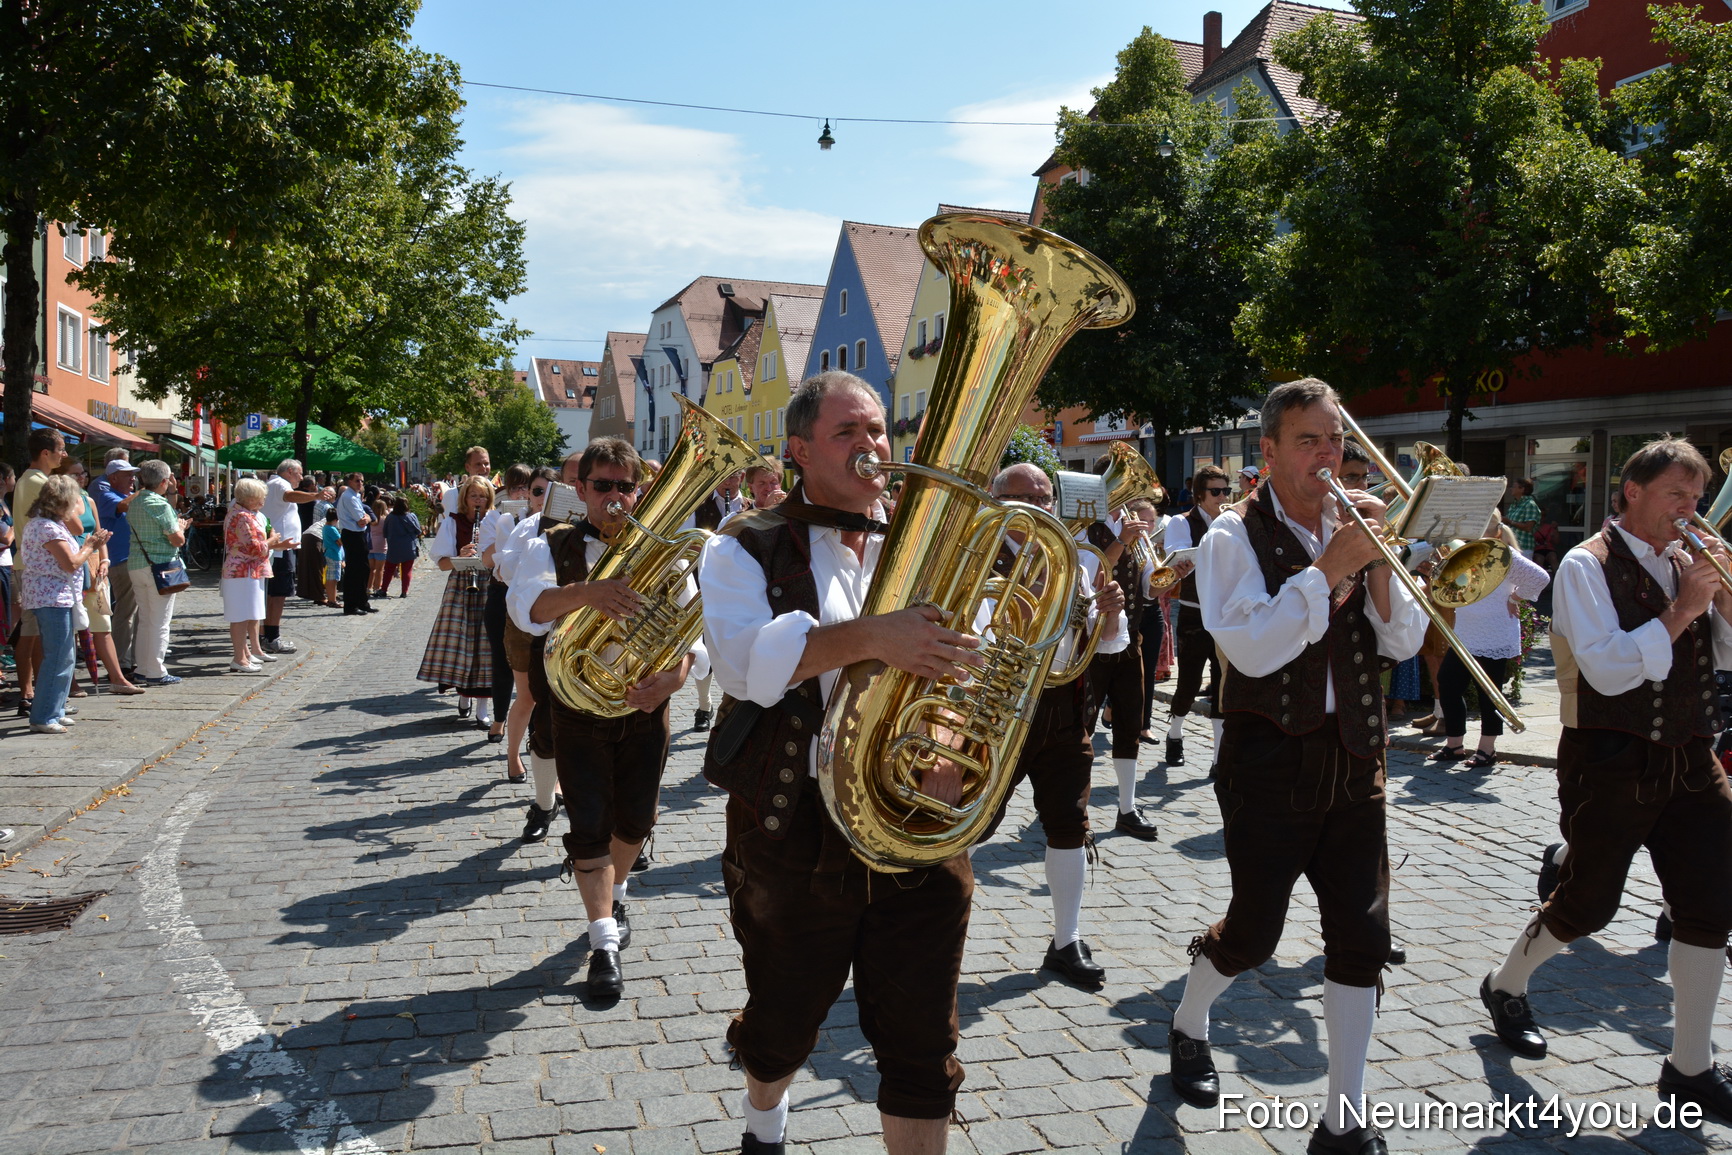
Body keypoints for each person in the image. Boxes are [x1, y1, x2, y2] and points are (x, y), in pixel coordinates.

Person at [700, 371, 984, 1154]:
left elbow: (975, 653)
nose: (872, 446)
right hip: (796, 827)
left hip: (918, 825)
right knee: (784, 1020)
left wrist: (955, 739)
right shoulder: (744, 543)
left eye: (878, 430)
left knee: (924, 1047)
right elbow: (743, 669)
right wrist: (868, 636)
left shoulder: (932, 536)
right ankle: (766, 1117)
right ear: (798, 451)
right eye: (847, 433)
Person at [1166, 379, 1427, 1155]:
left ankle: (1343, 1120)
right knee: (1255, 931)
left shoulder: (1357, 523)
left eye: (1335, 441)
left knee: (1361, 935)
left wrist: (1377, 567)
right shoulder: (1230, 537)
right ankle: (1189, 1017)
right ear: (1270, 451)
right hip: (1268, 760)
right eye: (1309, 441)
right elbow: (1250, 645)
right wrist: (1330, 567)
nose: (1327, 456)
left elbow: (1405, 641)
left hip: (1356, 757)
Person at [1479, 438, 1732, 1118]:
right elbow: (1608, 668)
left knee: (1712, 904)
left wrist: (1721, 600)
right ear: (1632, 492)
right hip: (1611, 758)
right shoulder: (1584, 567)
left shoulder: (1688, 561)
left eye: (1697, 497)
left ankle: (1691, 1064)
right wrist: (1682, 608)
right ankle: (1506, 982)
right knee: (1587, 903)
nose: (1691, 510)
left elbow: (1722, 655)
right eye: (1677, 494)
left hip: (1690, 753)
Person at [510, 439, 698, 1000]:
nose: (615, 497)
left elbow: (694, 631)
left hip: (645, 706)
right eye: (602, 486)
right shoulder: (552, 545)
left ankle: (613, 901)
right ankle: (602, 941)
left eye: (625, 486)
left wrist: (678, 677)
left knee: (635, 822)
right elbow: (528, 609)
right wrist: (588, 593)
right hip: (578, 708)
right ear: (582, 489)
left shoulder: (665, 553)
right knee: (590, 822)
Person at [983, 463, 1130, 989]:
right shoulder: (979, 557)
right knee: (970, 823)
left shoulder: (1076, 559)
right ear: (999, 502)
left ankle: (1065, 941)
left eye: (1047, 499)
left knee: (1070, 825)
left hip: (1064, 711)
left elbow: (1107, 643)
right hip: (996, 712)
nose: (1042, 508)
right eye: (1027, 497)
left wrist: (1108, 614)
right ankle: (921, 934)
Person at [1427, 521, 1548, 767]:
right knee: (1448, 684)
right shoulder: (1465, 552)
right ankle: (1455, 745)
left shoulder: (1504, 556)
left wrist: (1515, 597)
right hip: (1465, 633)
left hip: (1493, 633)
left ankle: (1487, 749)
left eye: (1481, 528)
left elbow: (1540, 577)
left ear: (1497, 533)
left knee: (1490, 695)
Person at [19, 475, 110, 733]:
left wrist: (93, 544)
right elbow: (69, 562)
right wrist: (91, 546)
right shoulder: (46, 526)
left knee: (65, 656)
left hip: (58, 595)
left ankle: (55, 710)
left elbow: (74, 546)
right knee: (58, 656)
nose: (77, 505)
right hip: (50, 597)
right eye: (73, 500)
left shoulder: (51, 523)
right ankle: (43, 715)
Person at [1162, 463, 1231, 767]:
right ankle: (1175, 732)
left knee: (1222, 684)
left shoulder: (1233, 522)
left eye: (1226, 491)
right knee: (1189, 683)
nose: (1222, 496)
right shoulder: (1181, 521)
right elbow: (1178, 557)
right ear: (1200, 495)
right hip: (1194, 613)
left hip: (1227, 615)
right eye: (1216, 491)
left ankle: (1218, 758)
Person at [495, 467, 557, 790]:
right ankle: (513, 754)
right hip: (523, 621)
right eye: (536, 491)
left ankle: (555, 775)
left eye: (551, 491)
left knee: (561, 699)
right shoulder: (523, 527)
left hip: (561, 621)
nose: (542, 497)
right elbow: (503, 571)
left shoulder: (574, 527)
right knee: (528, 696)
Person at [56, 457, 140, 696]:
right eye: (75, 474)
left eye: (83, 473)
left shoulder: (88, 499)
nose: (81, 478)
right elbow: (75, 532)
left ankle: (118, 678)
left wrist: (104, 559)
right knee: (71, 627)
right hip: (70, 566)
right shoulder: (60, 503)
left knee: (102, 624)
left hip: (93, 567)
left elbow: (99, 533)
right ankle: (70, 682)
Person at [419, 476, 494, 725]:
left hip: (490, 585)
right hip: (463, 585)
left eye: (483, 496)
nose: (478, 501)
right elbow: (441, 564)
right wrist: (459, 555)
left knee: (487, 646)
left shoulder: (497, 521)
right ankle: (464, 696)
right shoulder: (453, 523)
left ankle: (483, 706)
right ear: (465, 499)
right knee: (462, 643)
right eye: (474, 496)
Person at [13, 428, 70, 711]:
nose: (65, 454)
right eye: (61, 448)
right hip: (38, 567)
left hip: (27, 564)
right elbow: (69, 522)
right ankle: (40, 698)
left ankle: (34, 693)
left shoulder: (27, 478)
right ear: (46, 453)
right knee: (41, 637)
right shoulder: (39, 482)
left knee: (31, 633)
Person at [688, 472, 746, 733]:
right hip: (704, 583)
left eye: (734, 475)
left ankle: (736, 707)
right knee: (705, 644)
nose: (728, 481)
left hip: (741, 588)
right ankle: (704, 705)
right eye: (724, 476)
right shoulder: (700, 506)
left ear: (742, 478)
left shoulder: (751, 507)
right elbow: (686, 541)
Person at [126, 460, 191, 687]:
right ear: (164, 482)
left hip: (137, 563)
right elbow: (177, 539)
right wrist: (181, 528)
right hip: (161, 566)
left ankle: (143, 668)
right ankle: (155, 670)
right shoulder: (159, 504)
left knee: (145, 620)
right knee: (160, 622)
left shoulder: (135, 502)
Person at [481, 465, 532, 744]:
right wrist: (507, 529)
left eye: (526, 487)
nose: (521, 492)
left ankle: (534, 722)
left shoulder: (538, 517)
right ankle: (499, 718)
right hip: (501, 593)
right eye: (515, 487)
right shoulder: (495, 517)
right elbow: (488, 560)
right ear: (506, 491)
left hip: (530, 594)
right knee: (502, 660)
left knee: (534, 661)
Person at [261, 460, 332, 652]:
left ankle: (266, 633)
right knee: (278, 593)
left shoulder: (274, 484)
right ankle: (271, 636)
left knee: (274, 593)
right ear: (290, 471)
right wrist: (315, 495)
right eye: (300, 474)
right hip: (281, 549)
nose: (301, 478)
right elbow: (290, 496)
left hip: (281, 547)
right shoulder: (279, 484)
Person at [222, 478, 288, 673]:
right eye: (260, 497)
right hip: (242, 571)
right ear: (250, 498)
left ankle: (244, 655)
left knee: (247, 614)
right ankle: (239, 658)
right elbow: (254, 547)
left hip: (246, 570)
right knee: (241, 615)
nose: (263, 501)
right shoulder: (242, 516)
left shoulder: (242, 513)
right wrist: (272, 540)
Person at [92, 459, 140, 676]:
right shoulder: (107, 496)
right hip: (120, 561)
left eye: (134, 474)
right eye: (127, 475)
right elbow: (123, 506)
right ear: (113, 478)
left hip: (133, 560)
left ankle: (133, 658)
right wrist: (147, 489)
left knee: (137, 612)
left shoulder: (125, 495)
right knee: (126, 611)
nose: (133, 479)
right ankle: (121, 661)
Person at [336, 472, 375, 615]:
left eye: (362, 481)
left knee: (362, 570)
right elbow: (362, 520)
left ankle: (361, 602)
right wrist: (368, 518)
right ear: (349, 482)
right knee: (356, 571)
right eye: (357, 481)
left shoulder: (355, 496)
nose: (360, 483)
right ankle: (352, 605)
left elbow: (365, 518)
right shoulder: (349, 497)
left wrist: (367, 518)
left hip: (357, 534)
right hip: (352, 535)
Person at [381, 497, 422, 598]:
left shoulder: (390, 517)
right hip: (408, 547)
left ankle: (384, 589)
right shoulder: (411, 516)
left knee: (389, 570)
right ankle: (404, 591)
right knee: (407, 570)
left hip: (394, 547)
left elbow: (385, 532)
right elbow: (418, 530)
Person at [441, 446, 492, 514]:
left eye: (486, 464)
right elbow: (443, 524)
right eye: (478, 464)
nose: (483, 468)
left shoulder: (498, 493)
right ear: (467, 467)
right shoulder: (452, 495)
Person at [1505, 478, 1541, 560]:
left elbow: (1528, 527)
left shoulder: (1530, 504)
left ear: (1522, 489)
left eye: (1514, 487)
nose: (1511, 489)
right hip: (1512, 546)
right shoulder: (1514, 504)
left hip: (1524, 548)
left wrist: (1510, 521)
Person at [321, 510, 344, 607]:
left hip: (330, 554)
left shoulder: (325, 527)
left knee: (332, 578)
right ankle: (332, 600)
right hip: (334, 555)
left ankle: (332, 598)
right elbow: (340, 541)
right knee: (333, 579)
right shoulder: (332, 529)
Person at [367, 499, 389, 596]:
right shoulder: (385, 519)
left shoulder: (370, 519)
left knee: (371, 569)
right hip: (381, 545)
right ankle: (377, 588)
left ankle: (368, 587)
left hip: (370, 544)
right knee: (380, 569)